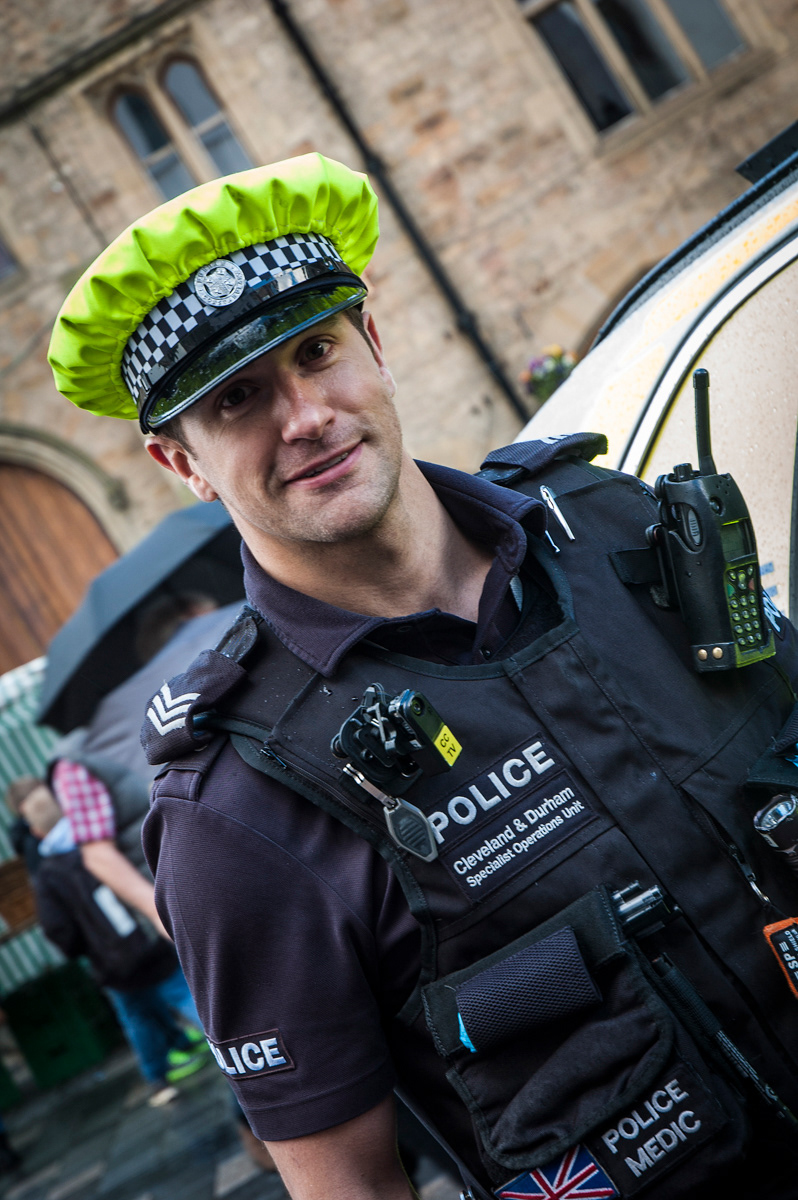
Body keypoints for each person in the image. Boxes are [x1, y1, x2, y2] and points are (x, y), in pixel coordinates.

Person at [47, 154, 798, 1199]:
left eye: (317, 352)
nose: (305, 416)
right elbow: (351, 1187)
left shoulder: (617, 529)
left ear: (377, 343)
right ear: (182, 463)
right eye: (237, 400)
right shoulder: (233, 811)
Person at [6, 777, 205, 1106]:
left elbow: (58, 929)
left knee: (136, 1018)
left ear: (36, 831)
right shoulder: (99, 845)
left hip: (111, 965)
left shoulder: (48, 876)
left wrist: (85, 950)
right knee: (185, 994)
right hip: (148, 943)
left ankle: (157, 1081)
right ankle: (228, 1043)